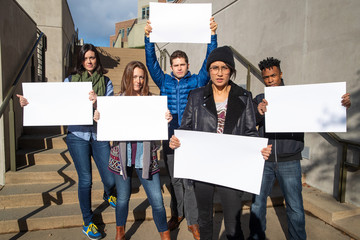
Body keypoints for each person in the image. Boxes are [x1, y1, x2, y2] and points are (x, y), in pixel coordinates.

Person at [169, 46, 272, 240]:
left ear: (231, 70)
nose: (219, 72)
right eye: (215, 67)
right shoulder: (196, 96)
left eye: (224, 68)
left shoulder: (243, 97)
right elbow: (186, 129)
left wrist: (260, 150)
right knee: (205, 219)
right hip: (203, 167)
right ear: (209, 70)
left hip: (231, 168)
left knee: (233, 223)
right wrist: (176, 141)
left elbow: (250, 131)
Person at [17, 43, 117, 240]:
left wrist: (98, 102)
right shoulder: (70, 80)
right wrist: (30, 103)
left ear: (97, 60)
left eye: (93, 57)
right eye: (86, 58)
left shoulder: (106, 82)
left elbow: (111, 110)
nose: (89, 61)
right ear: (81, 60)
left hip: (99, 135)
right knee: (86, 180)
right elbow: (54, 102)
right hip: (77, 136)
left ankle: (108, 193)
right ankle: (88, 222)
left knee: (111, 178)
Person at [248, 57, 352, 240]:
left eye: (273, 75)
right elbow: (249, 123)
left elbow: (322, 107)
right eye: (266, 77)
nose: (270, 80)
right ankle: (257, 237)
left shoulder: (299, 96)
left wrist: (340, 104)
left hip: (290, 160)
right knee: (257, 204)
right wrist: (259, 111)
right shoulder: (259, 99)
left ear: (281, 74)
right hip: (264, 160)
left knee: (295, 206)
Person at [144, 17, 218, 238]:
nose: (178, 68)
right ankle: (177, 214)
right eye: (175, 65)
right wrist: (148, 38)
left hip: (190, 134)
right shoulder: (164, 81)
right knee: (175, 179)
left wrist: (212, 35)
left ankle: (193, 221)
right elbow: (151, 63)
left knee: (189, 180)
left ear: (187, 66)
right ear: (171, 67)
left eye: (182, 65)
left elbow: (209, 61)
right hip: (169, 133)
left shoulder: (196, 81)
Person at [94, 61, 173, 240]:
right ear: (128, 78)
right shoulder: (116, 101)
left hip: (145, 156)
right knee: (122, 199)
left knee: (157, 201)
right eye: (134, 76)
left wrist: (164, 119)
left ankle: (165, 235)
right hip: (121, 155)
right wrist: (101, 117)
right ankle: (120, 232)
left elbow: (157, 127)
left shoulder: (153, 101)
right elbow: (108, 125)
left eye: (141, 77)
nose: (138, 81)